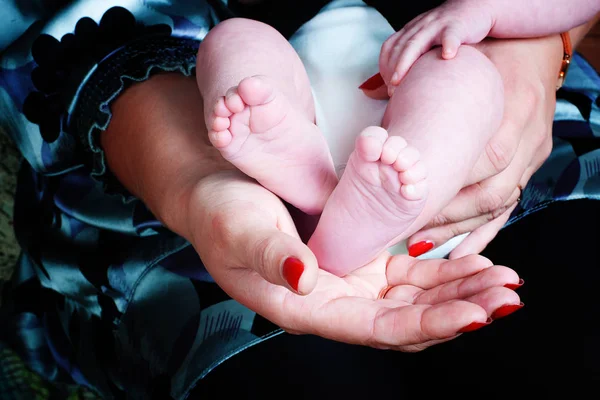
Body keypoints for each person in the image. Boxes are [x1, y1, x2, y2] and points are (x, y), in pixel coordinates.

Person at [0, 1, 597, 399]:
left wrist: (529, 37)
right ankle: (310, 178)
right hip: (200, 115)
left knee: (467, 85)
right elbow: (83, 33)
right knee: (236, 46)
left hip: (428, 94)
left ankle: (362, 206)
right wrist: (200, 183)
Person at [198, 0, 600, 276]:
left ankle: (363, 221)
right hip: (292, 104)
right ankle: (307, 176)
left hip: (425, 142)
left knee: (469, 79)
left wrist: (488, 9)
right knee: (232, 39)